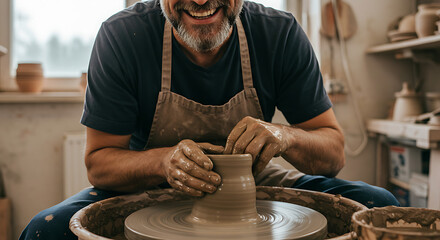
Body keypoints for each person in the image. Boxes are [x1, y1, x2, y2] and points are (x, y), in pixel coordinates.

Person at [20, 0, 399, 239]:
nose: (200, 1)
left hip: (255, 180)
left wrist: (286, 136)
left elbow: (333, 152)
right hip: (148, 181)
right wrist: (164, 161)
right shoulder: (123, 36)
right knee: (44, 231)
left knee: (380, 208)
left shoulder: (279, 34)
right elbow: (99, 162)